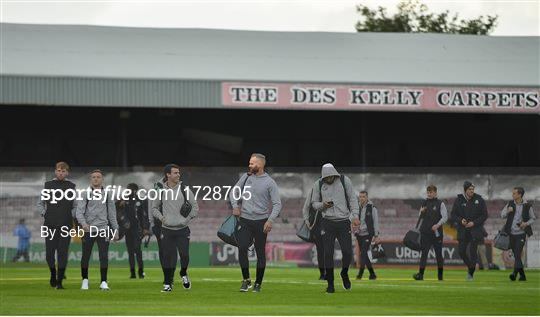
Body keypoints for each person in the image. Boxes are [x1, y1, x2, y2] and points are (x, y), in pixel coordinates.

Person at [230, 153, 282, 293]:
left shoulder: (270, 182)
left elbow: (277, 204)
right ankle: (246, 280)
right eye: (250, 163)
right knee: (242, 248)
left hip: (261, 222)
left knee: (260, 253)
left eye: (252, 163)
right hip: (245, 220)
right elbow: (233, 191)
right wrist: (235, 205)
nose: (250, 165)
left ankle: (258, 283)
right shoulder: (246, 177)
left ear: (260, 165)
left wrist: (270, 220)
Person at [311, 163, 359, 293]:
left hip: (344, 222)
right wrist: (323, 205)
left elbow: (353, 199)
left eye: (330, 177)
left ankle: (344, 273)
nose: (328, 179)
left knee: (348, 253)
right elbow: (314, 204)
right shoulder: (318, 184)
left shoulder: (344, 180)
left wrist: (355, 216)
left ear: (334, 174)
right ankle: (330, 283)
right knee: (328, 254)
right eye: (326, 178)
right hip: (327, 222)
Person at [152, 164, 199, 292]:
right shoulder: (160, 189)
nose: (178, 175)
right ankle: (167, 283)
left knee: (184, 255)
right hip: (166, 229)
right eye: (175, 173)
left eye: (178, 173)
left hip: (183, 229)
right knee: (167, 257)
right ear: (168, 174)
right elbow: (154, 208)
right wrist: (162, 218)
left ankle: (183, 273)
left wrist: (186, 219)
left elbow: (195, 207)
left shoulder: (184, 189)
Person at [76, 169, 119, 291]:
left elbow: (112, 214)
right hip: (88, 230)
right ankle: (85, 280)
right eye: (93, 177)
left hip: (103, 229)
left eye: (98, 177)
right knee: (85, 256)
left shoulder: (107, 194)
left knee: (104, 256)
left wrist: (116, 230)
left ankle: (104, 282)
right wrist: (84, 224)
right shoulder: (85, 194)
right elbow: (79, 212)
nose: (96, 179)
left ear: (102, 179)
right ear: (91, 179)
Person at [37, 161, 77, 289]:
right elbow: (40, 203)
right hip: (50, 224)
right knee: (49, 254)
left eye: (63, 171)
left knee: (62, 252)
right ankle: (53, 274)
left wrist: (70, 215)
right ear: (55, 171)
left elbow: (75, 205)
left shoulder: (71, 186)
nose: (61, 173)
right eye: (59, 170)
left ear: (67, 172)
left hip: (65, 224)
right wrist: (45, 214)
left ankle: (59, 281)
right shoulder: (47, 186)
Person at [450, 181, 488, 281]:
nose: (472, 191)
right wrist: (460, 220)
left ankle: (470, 274)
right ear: (465, 190)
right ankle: (471, 267)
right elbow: (453, 215)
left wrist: (474, 223)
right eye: (470, 189)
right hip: (463, 231)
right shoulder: (458, 200)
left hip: (475, 231)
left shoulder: (479, 199)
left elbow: (485, 215)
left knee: (473, 252)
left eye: (473, 189)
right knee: (461, 251)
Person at [413, 185, 448, 281]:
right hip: (425, 233)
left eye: (431, 192)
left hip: (437, 233)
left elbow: (445, 217)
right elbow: (420, 216)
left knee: (438, 255)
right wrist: (421, 211)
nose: (429, 194)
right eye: (428, 192)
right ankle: (420, 275)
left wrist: (437, 225)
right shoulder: (424, 202)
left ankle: (440, 276)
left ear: (435, 193)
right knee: (424, 254)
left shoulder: (440, 203)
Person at [501, 187, 536, 281]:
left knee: (517, 253)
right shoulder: (510, 203)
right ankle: (523, 275)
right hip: (511, 234)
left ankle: (514, 274)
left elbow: (533, 218)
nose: (512, 195)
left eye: (514, 193)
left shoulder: (527, 205)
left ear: (520, 195)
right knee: (517, 255)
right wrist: (508, 211)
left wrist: (525, 224)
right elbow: (502, 215)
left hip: (521, 234)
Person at [118, 183, 150, 279]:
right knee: (130, 251)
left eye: (131, 189)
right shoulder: (124, 200)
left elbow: (145, 215)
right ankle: (132, 273)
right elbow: (116, 209)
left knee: (137, 250)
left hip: (137, 229)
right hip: (127, 230)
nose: (129, 191)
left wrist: (145, 228)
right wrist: (120, 203)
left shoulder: (141, 201)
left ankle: (141, 271)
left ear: (135, 190)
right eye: (128, 189)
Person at [302, 180, 326, 280]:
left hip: (329, 223)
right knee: (320, 250)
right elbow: (306, 207)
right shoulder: (312, 191)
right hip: (317, 225)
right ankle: (322, 273)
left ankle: (327, 272)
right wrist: (306, 220)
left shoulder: (333, 191)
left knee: (327, 250)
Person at [355, 191, 380, 280]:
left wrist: (376, 235)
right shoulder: (356, 207)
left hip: (367, 234)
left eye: (363, 197)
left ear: (367, 197)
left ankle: (360, 274)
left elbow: (376, 221)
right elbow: (353, 219)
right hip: (359, 234)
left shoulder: (372, 208)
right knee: (364, 254)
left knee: (363, 254)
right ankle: (372, 274)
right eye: (360, 196)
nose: (361, 198)